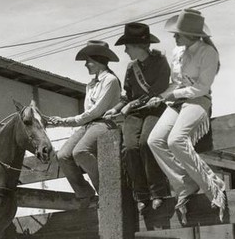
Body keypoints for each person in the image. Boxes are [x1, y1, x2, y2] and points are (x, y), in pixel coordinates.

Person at [146, 8, 226, 222]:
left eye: (178, 33)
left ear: (190, 35)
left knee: (176, 140)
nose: (174, 36)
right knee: (154, 140)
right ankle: (185, 183)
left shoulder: (208, 53)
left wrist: (174, 94)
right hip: (177, 102)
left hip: (198, 101)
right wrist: (163, 96)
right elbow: (176, 83)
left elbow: (201, 88)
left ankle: (213, 186)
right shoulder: (177, 52)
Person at [103, 23, 171, 212]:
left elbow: (158, 92)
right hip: (134, 112)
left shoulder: (160, 62)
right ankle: (141, 195)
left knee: (146, 143)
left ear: (138, 46)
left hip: (154, 109)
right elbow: (127, 95)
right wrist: (116, 109)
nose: (125, 50)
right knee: (130, 147)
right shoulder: (131, 68)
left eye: (127, 46)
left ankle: (158, 191)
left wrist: (133, 105)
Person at [50, 40, 121, 207]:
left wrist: (66, 121)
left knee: (80, 151)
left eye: (88, 61)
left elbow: (96, 111)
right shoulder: (90, 85)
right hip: (89, 124)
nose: (86, 65)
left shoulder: (110, 80)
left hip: (104, 123)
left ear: (98, 61)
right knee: (62, 155)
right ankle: (84, 192)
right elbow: (89, 111)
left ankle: (105, 190)